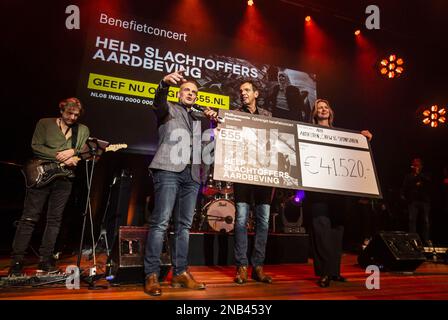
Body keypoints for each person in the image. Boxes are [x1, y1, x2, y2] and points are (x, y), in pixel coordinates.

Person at [143, 69, 218, 296]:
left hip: (192, 175)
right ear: (178, 94)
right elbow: (158, 100)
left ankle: (180, 273)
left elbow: (204, 150)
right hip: (168, 170)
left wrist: (214, 128)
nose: (190, 94)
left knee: (184, 226)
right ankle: (152, 274)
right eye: (186, 90)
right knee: (161, 223)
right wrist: (164, 83)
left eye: (194, 92)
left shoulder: (197, 119)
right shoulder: (168, 110)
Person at [8, 97, 90, 276]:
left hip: (65, 178)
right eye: (70, 113)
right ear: (61, 111)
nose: (73, 117)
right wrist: (61, 156)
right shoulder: (44, 123)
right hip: (41, 173)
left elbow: (85, 150)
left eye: (76, 114)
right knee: (29, 218)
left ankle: (45, 260)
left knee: (55, 220)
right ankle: (17, 261)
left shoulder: (82, 130)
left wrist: (75, 153)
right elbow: (35, 146)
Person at [307, 99, 372, 288]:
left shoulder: (341, 134)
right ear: (314, 113)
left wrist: (363, 139)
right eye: (319, 108)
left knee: (336, 231)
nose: (323, 109)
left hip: (338, 191)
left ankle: (334, 272)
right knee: (321, 231)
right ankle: (324, 272)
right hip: (318, 190)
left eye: (325, 107)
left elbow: (353, 152)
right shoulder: (308, 133)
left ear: (330, 112)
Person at [233, 80, 274, 285]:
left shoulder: (267, 116)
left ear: (256, 94)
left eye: (247, 90)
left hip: (264, 176)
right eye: (241, 91)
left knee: (264, 221)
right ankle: (241, 266)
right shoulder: (235, 114)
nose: (243, 93)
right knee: (241, 220)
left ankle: (258, 266)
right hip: (241, 173)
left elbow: (273, 143)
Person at [401, 157, 432, 245]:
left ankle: (426, 240)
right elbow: (405, 187)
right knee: (412, 220)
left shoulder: (426, 175)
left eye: (417, 165)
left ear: (421, 166)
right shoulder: (408, 176)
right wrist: (403, 196)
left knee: (425, 221)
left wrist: (419, 174)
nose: (415, 166)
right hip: (413, 201)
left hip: (424, 201)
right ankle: (413, 240)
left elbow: (429, 182)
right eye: (414, 165)